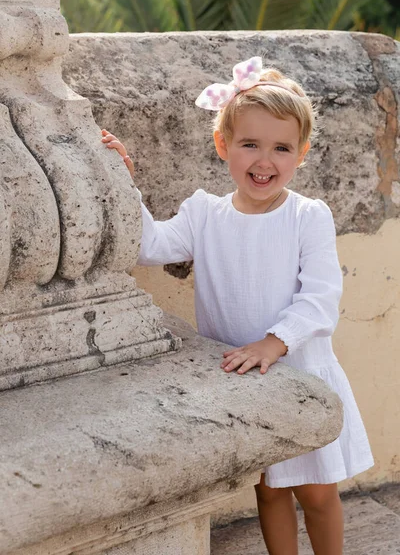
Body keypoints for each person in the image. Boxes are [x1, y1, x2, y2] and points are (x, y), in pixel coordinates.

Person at [101, 56, 374, 555]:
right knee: (268, 493)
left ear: (301, 154)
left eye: (281, 148)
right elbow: (149, 246)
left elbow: (319, 299)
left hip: (300, 376)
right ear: (223, 145)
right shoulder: (204, 213)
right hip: (246, 382)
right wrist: (124, 179)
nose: (264, 161)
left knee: (316, 494)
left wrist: (274, 342)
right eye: (250, 144)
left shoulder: (307, 217)